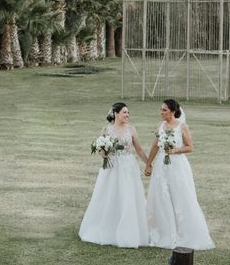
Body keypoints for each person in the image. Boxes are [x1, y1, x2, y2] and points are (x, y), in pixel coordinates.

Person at [79, 102, 151, 248]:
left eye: (128, 113)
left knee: (128, 195)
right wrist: (103, 153)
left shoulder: (131, 129)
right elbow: (100, 149)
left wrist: (148, 163)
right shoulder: (106, 129)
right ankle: (108, 228)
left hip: (128, 166)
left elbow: (139, 149)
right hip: (111, 167)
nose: (127, 115)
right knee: (109, 195)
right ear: (116, 114)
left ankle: (129, 230)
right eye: (124, 112)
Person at [144, 99, 214, 250]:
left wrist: (176, 150)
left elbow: (190, 147)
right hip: (162, 165)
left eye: (164, 110)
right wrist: (149, 163)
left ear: (173, 111)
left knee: (180, 196)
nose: (161, 112)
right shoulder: (160, 126)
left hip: (178, 166)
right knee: (161, 196)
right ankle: (164, 231)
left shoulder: (182, 126)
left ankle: (184, 232)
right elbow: (155, 146)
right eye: (161, 110)